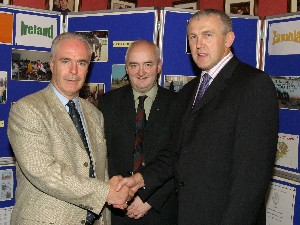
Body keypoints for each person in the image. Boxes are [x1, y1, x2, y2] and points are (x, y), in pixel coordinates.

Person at [116, 9, 279, 225]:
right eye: (193, 37)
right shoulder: (188, 91)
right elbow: (175, 153)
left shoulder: (253, 85)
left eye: (207, 35)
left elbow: (251, 179)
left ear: (228, 39)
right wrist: (140, 179)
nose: (198, 43)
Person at [8, 32, 133, 225]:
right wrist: (105, 192)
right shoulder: (27, 110)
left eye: (81, 63)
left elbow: (96, 169)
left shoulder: (94, 114)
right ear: (51, 64)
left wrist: (113, 186)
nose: (74, 71)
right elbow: (43, 172)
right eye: (66, 61)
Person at [98, 40, 178, 225]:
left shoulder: (178, 104)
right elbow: (103, 155)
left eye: (148, 65)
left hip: (161, 209)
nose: (141, 72)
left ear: (159, 67)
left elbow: (180, 158)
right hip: (118, 209)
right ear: (126, 68)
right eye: (134, 65)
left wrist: (150, 199)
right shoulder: (108, 103)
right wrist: (122, 194)